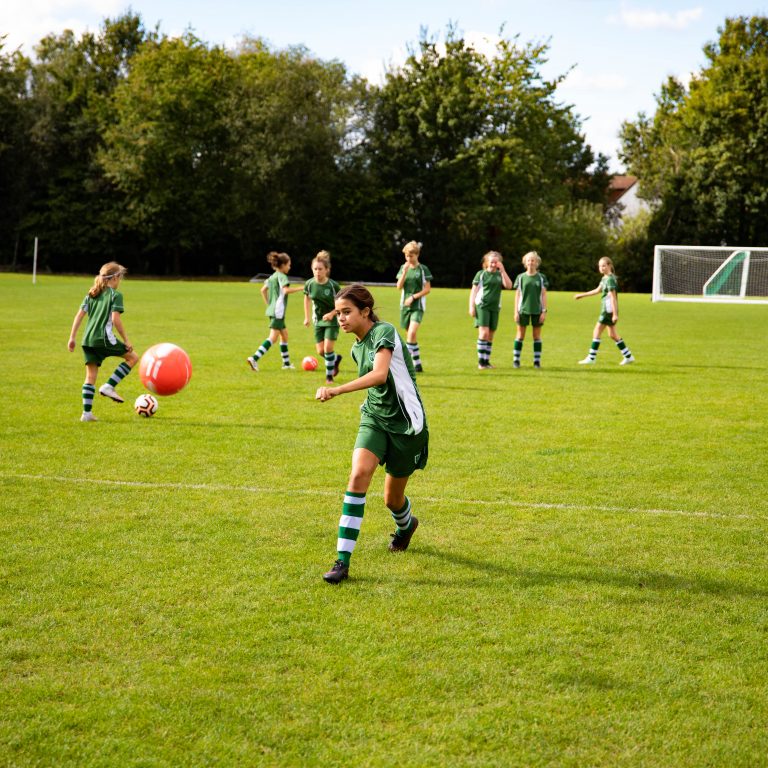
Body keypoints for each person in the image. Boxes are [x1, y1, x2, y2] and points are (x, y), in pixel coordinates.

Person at [316, 284, 428, 584]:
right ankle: (342, 561)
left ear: (365, 311)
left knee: (392, 499)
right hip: (374, 419)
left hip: (406, 425)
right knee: (357, 476)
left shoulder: (384, 332)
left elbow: (379, 374)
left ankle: (406, 526)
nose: (341, 319)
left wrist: (336, 389)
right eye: (338, 313)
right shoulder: (355, 347)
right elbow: (376, 385)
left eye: (347, 312)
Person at [67, 262, 138, 422]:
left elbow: (78, 316)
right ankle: (109, 386)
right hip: (103, 339)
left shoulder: (91, 294)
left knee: (90, 376)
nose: (120, 281)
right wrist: (126, 340)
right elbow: (116, 320)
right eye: (120, 277)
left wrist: (72, 338)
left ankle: (86, 414)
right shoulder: (115, 295)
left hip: (88, 340)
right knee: (133, 358)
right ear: (114, 277)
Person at [247, 251, 303, 371]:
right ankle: (254, 358)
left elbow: (263, 290)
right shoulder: (282, 276)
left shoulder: (272, 276)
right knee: (273, 337)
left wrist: (269, 304)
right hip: (278, 312)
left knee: (285, 335)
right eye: (289, 264)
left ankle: (286, 364)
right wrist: (302, 288)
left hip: (274, 311)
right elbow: (286, 290)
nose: (290, 267)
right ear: (283, 265)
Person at [574, 256, 636, 365]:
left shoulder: (610, 280)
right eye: (599, 266)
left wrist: (615, 314)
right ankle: (628, 356)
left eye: (603, 265)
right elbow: (597, 290)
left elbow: (613, 297)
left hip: (608, 310)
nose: (601, 268)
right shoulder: (605, 278)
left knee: (597, 330)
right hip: (608, 310)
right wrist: (582, 295)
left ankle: (591, 358)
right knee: (612, 334)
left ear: (609, 266)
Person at [303, 250, 343, 383]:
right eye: (315, 269)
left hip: (332, 320)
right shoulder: (309, 284)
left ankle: (329, 377)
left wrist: (332, 314)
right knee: (321, 351)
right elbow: (307, 299)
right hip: (318, 321)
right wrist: (307, 317)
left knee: (327, 349)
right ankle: (335, 359)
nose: (317, 272)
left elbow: (342, 303)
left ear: (327, 270)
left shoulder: (333, 285)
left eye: (320, 269)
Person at [469, 251, 512, 369]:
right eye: (492, 261)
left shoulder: (499, 274)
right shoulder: (481, 274)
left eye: (496, 262)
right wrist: (471, 306)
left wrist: (503, 271)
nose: (494, 264)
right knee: (484, 333)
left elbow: (509, 286)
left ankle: (487, 361)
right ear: (487, 262)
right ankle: (481, 362)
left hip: (495, 307)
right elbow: (474, 291)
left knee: (491, 335)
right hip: (482, 306)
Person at [396, 241, 432, 373]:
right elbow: (399, 287)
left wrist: (413, 297)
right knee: (410, 336)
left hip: (418, 306)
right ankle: (417, 364)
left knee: (411, 333)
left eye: (411, 255)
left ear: (417, 255)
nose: (409, 258)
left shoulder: (423, 269)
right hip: (404, 307)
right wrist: (404, 272)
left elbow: (427, 289)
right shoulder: (403, 268)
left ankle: (406, 364)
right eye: (406, 256)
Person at [513, 251, 549, 368]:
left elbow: (543, 295)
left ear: (537, 263)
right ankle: (516, 360)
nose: (530, 262)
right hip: (522, 310)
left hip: (537, 310)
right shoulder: (520, 277)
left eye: (533, 260)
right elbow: (517, 295)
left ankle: (537, 361)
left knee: (536, 336)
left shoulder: (541, 277)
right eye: (528, 260)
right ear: (525, 262)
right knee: (520, 335)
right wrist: (515, 311)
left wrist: (544, 311)